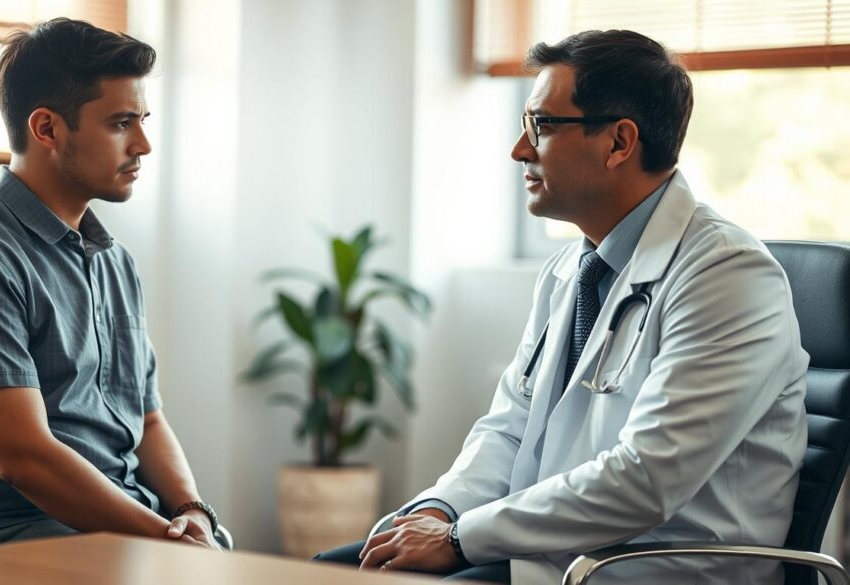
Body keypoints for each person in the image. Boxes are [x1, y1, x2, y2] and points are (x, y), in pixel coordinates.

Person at [315, 29, 807, 584]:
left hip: (655, 565)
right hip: (558, 551)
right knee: (322, 572)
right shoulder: (572, 267)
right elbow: (509, 427)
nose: (519, 149)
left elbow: (648, 478)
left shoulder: (728, 275)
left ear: (619, 142)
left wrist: (458, 539)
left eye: (542, 126)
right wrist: (442, 510)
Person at [0, 18, 220, 549]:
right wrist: (166, 540)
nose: (144, 144)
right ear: (46, 129)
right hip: (0, 541)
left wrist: (191, 513)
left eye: (143, 120)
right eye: (121, 123)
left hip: (117, 531)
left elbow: (148, 420)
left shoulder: (114, 262)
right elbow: (23, 458)